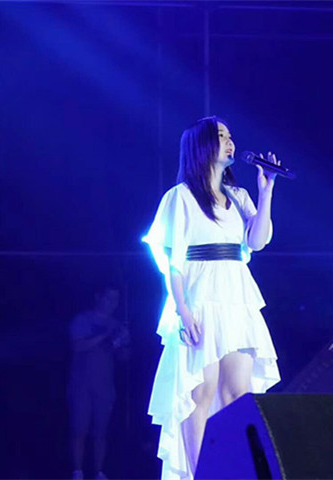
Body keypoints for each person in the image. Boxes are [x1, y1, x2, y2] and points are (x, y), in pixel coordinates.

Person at [143, 116, 281, 480]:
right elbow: (173, 263)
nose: (230, 141)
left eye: (230, 135)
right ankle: (201, 474)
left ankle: (236, 471)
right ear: (202, 145)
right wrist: (183, 311)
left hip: (237, 298)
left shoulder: (239, 197)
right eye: (221, 135)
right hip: (200, 299)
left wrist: (266, 192)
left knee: (238, 394)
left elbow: (257, 241)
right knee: (200, 393)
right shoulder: (181, 197)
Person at [67, 286, 130, 480]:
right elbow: (77, 345)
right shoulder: (82, 320)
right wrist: (106, 334)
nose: (112, 304)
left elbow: (124, 358)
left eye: (116, 300)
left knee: (101, 431)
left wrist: (122, 343)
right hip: (80, 385)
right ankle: (77, 471)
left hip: (105, 386)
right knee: (79, 429)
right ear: (98, 297)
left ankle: (99, 472)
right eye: (109, 298)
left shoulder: (118, 325)